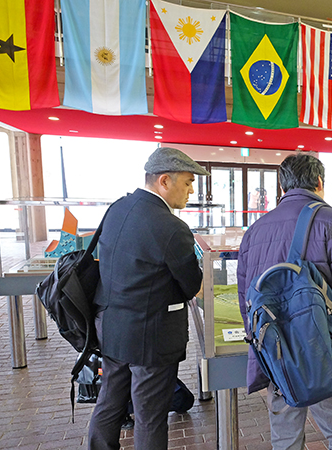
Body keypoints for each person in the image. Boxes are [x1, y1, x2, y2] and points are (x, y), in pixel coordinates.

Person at [236, 154, 332, 450]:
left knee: (285, 438)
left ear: (282, 186)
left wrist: (261, 351)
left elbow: (246, 298)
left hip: (276, 354)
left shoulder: (256, 229)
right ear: (320, 182)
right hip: (324, 351)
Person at [88, 147, 208, 450]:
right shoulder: (171, 227)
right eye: (188, 182)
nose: (192, 190)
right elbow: (193, 285)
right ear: (165, 181)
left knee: (110, 402)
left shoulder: (118, 208)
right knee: (150, 415)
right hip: (152, 336)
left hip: (113, 326)